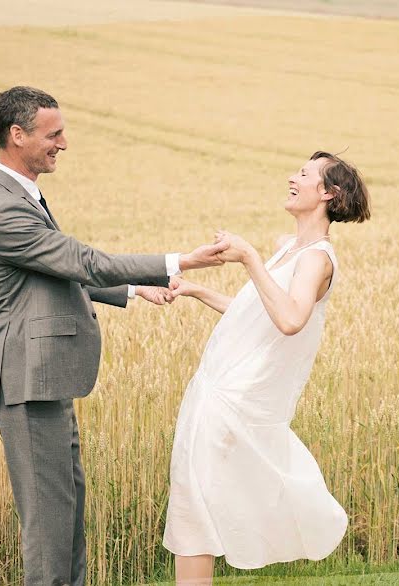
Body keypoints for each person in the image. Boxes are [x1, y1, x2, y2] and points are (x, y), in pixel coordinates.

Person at [0, 86, 228, 586]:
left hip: (45, 381)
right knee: (48, 531)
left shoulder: (19, 194)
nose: (63, 142)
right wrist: (180, 262)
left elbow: (57, 272)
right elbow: (81, 261)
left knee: (66, 522)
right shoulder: (3, 210)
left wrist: (133, 289)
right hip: (25, 384)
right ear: (16, 135)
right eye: (54, 133)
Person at [162, 151, 371, 584]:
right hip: (216, 390)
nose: (292, 178)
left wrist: (250, 259)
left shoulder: (316, 258)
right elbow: (256, 312)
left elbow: (291, 319)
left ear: (327, 194)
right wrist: (196, 290)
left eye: (304, 174)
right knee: (191, 508)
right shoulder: (290, 249)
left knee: (193, 516)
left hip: (234, 400)